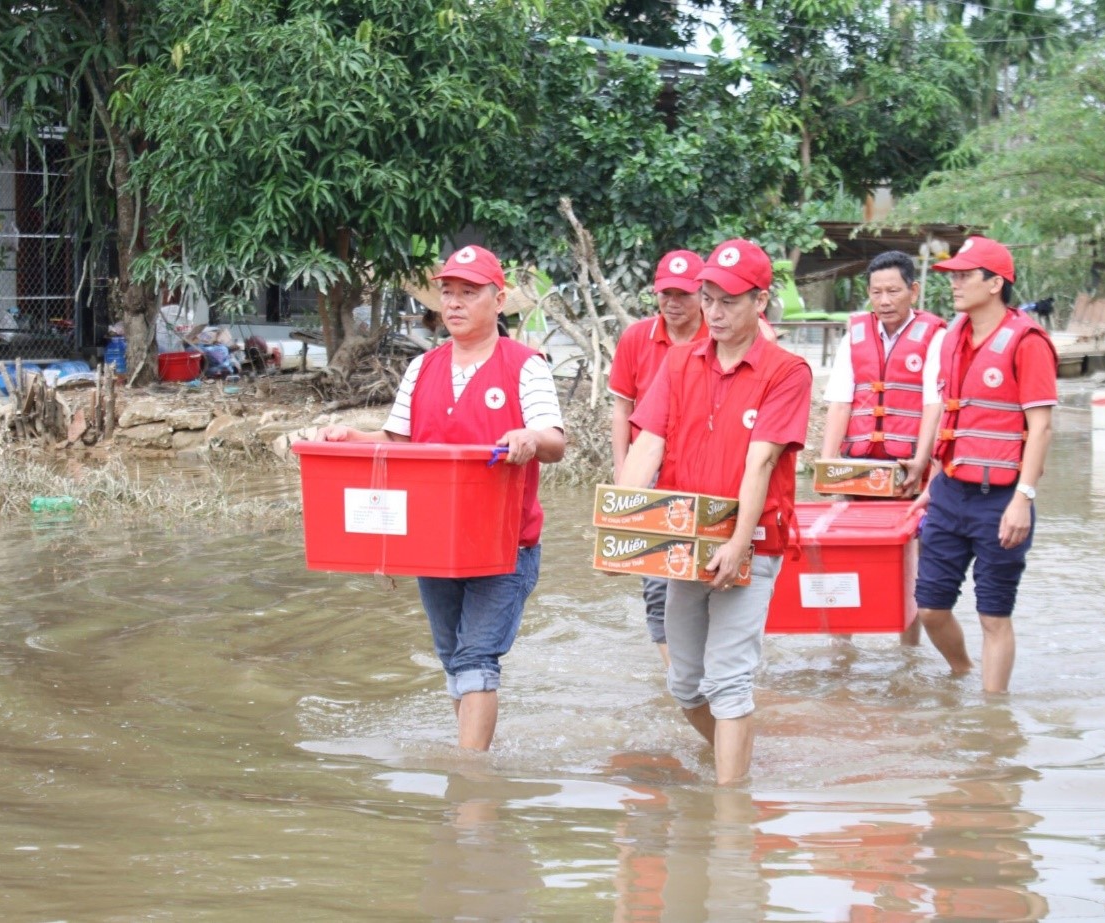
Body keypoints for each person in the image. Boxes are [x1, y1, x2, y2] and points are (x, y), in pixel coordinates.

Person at [317, 245, 566, 749]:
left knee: (476, 657)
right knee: (453, 656)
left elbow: (555, 441)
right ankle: (473, 768)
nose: (454, 303)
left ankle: (469, 788)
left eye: (468, 293)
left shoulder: (526, 366)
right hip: (435, 546)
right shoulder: (422, 368)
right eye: (448, 293)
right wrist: (351, 438)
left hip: (505, 545)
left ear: (498, 301)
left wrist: (528, 438)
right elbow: (398, 447)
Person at [619, 238, 813, 785]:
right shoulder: (680, 363)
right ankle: (740, 757)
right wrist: (618, 526)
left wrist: (738, 543)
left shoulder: (786, 371)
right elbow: (647, 446)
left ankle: (730, 814)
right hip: (684, 541)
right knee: (684, 684)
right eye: (709, 298)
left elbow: (761, 463)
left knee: (729, 681)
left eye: (729, 299)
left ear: (761, 301)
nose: (716, 312)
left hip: (752, 544)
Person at [913, 236, 1057, 693]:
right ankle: (963, 673)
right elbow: (950, 416)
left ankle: (995, 717)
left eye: (963, 275)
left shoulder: (1027, 342)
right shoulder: (953, 336)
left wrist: (1023, 500)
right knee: (930, 608)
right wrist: (932, 483)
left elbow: (1041, 429)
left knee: (994, 615)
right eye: (951, 275)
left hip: (1001, 499)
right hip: (950, 493)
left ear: (995, 283)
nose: (954, 284)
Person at [819, 250, 947, 645]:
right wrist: (827, 464)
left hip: (909, 467)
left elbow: (934, 403)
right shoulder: (854, 334)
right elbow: (841, 400)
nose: (885, 301)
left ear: (914, 290)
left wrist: (922, 460)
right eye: (876, 292)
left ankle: (908, 651)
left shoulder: (935, 336)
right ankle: (843, 649)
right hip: (859, 469)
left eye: (893, 291)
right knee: (845, 559)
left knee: (911, 563)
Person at [609, 249, 708, 667]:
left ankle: (706, 666)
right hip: (648, 473)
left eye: (683, 294)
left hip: (704, 472)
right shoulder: (637, 338)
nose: (673, 302)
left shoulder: (718, 336)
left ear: (703, 294)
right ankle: (676, 678)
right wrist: (620, 476)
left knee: (706, 570)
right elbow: (622, 409)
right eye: (666, 293)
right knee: (655, 580)